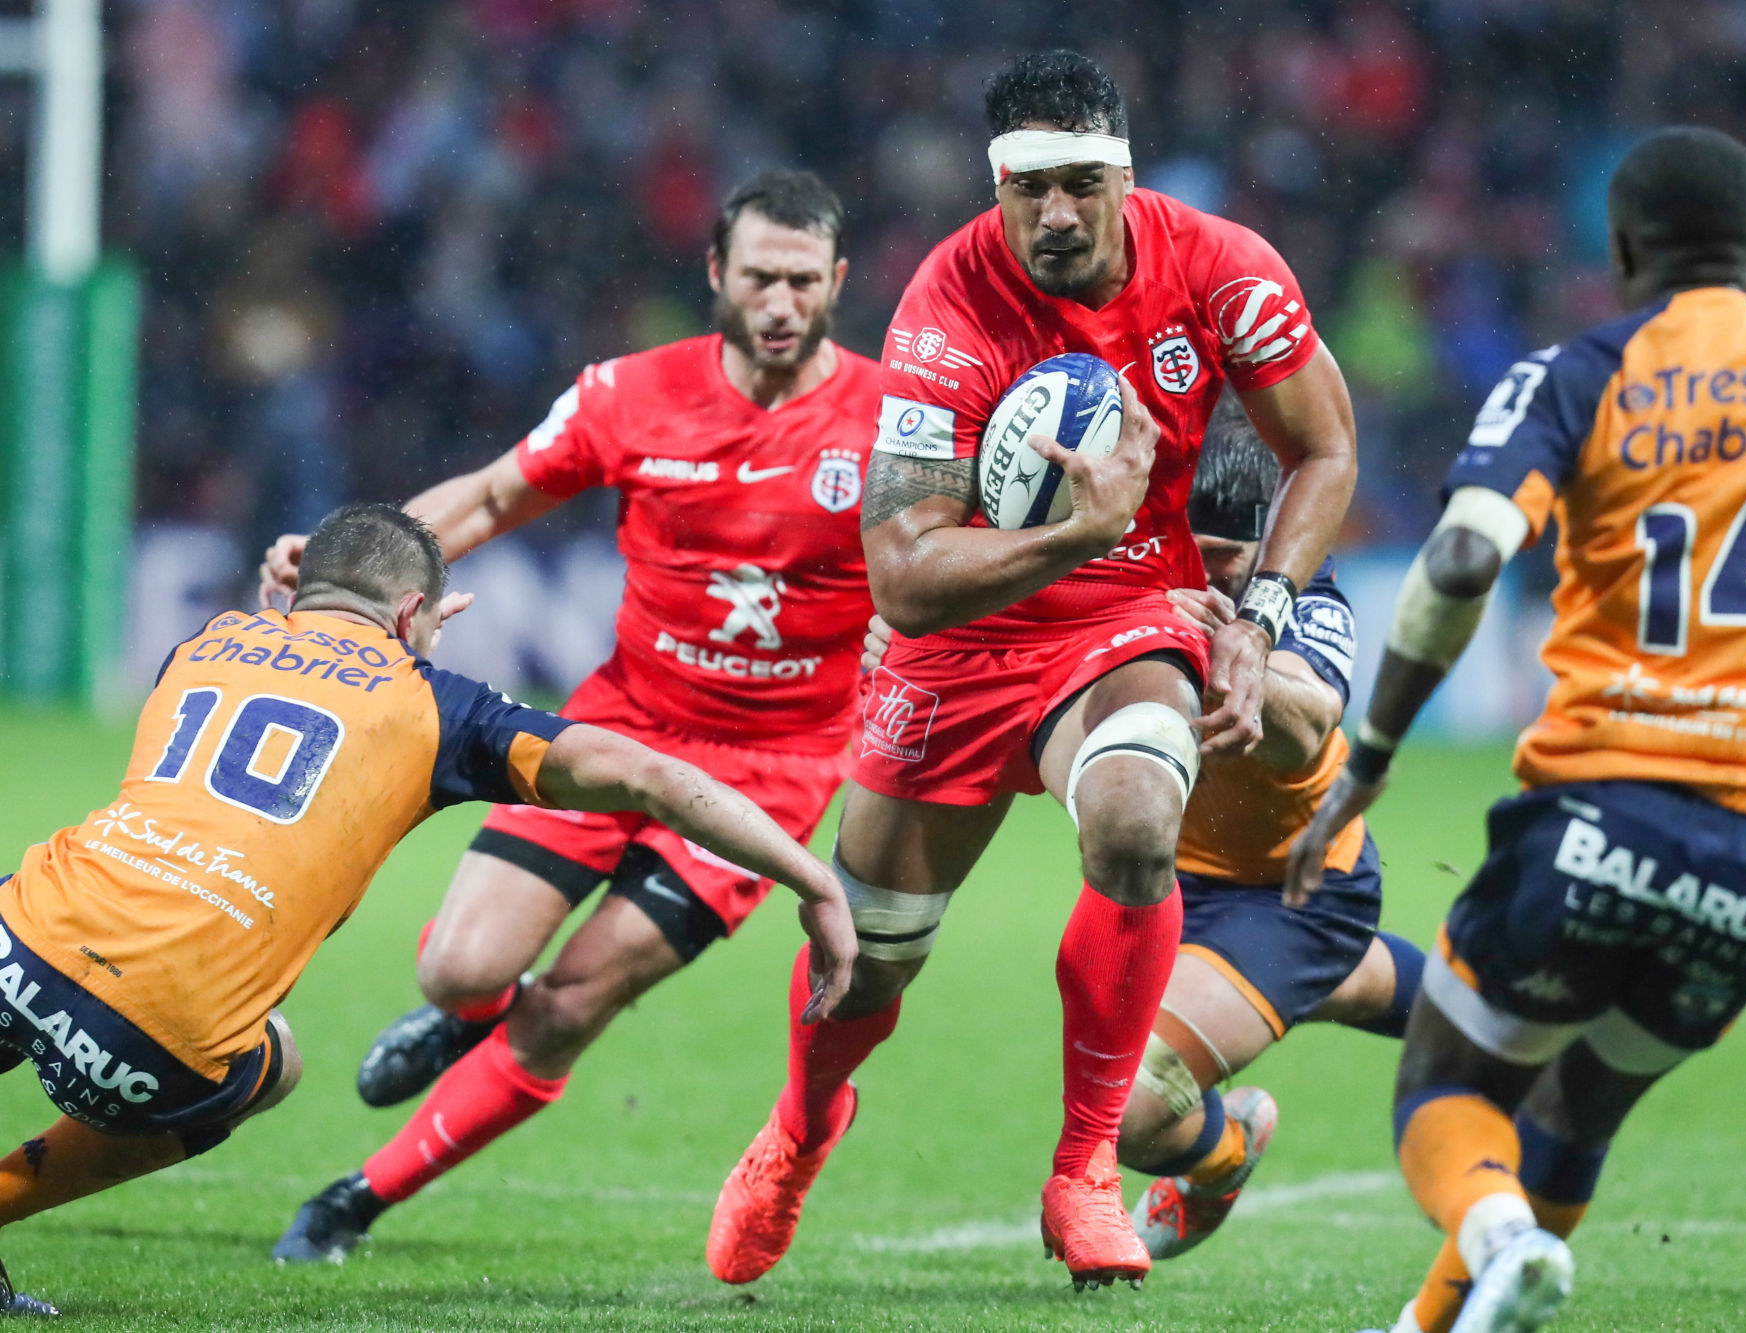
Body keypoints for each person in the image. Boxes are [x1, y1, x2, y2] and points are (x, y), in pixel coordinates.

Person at [1283, 126, 1746, 1333]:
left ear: (1617, 250)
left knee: (1448, 1084)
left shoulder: (1577, 376)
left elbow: (1459, 556)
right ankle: (1434, 1323)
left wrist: (1373, 754)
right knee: (1578, 1105)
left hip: (1603, 809)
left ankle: (1496, 1233)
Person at [706, 51, 1358, 1292]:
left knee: (1130, 816)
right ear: (993, 188)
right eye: (1027, 191)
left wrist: (1257, 618)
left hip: (1123, 617)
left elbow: (1323, 447)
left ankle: (1086, 1166)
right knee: (868, 955)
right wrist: (1071, 532)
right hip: (958, 635)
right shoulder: (946, 303)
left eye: (1078, 185)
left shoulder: (1222, 267)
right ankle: (799, 1128)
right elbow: (900, 573)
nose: (1054, 215)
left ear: (1122, 174)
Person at [0, 505, 856, 1315]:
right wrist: (813, 881)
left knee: (44, 941)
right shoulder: (438, 706)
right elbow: (651, 778)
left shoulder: (202, 642)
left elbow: (276, 685)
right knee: (275, 1065)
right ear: (414, 611)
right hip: (155, 1029)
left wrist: (294, 623)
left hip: (22, 936)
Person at [256, 171, 881, 1260]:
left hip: (768, 770)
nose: (778, 304)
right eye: (756, 279)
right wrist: (352, 568)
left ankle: (353, 1199)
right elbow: (497, 494)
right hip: (622, 724)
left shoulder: (896, 423)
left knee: (571, 1004)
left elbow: (953, 568)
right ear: (714, 279)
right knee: (457, 968)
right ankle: (465, 1013)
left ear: (835, 282)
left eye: (799, 281)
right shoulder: (629, 395)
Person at [1115, 394, 1424, 1260]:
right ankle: (1507, 1008)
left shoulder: (1311, 595)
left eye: (1232, 561)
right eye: (1195, 557)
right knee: (1389, 993)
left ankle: (1220, 1154)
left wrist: (1237, 657)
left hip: (1292, 896)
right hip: (1169, 884)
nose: (1212, 581)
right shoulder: (1132, 566)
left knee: (1134, 1109)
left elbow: (1312, 715)